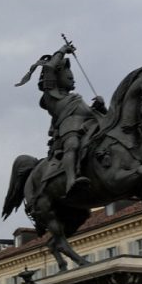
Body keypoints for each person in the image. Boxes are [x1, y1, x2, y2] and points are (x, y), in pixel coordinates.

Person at [15, 39, 106, 197]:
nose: (72, 79)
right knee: (73, 144)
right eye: (69, 77)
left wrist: (100, 107)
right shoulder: (52, 97)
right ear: (57, 78)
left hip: (88, 128)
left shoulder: (76, 98)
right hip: (69, 132)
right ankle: (71, 180)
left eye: (72, 77)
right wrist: (63, 50)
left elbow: (99, 116)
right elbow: (49, 67)